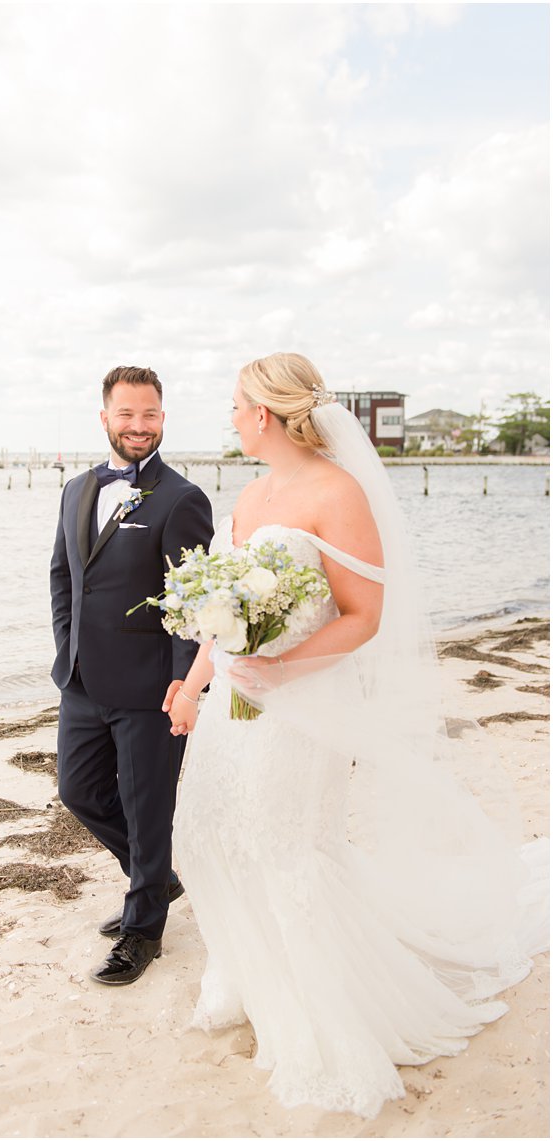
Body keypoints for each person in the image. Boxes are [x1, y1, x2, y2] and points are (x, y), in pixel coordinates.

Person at [167, 352, 546, 1117]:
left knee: (287, 849)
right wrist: (196, 679)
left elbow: (364, 615)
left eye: (235, 406)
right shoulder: (251, 492)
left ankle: (323, 1015)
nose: (231, 419)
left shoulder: (337, 491)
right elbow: (220, 609)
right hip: (233, 711)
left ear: (264, 414)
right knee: (211, 834)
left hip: (301, 708)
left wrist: (283, 671)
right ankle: (254, 976)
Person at [48, 366, 214, 986]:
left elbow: (192, 603)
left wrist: (183, 685)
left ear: (163, 419)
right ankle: (158, 879)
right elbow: (64, 576)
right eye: (126, 415)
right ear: (105, 418)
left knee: (149, 811)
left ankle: (142, 932)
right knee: (80, 793)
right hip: (81, 682)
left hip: (150, 687)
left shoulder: (182, 499)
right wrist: (67, 647)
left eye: (149, 416)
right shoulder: (75, 490)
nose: (138, 427)